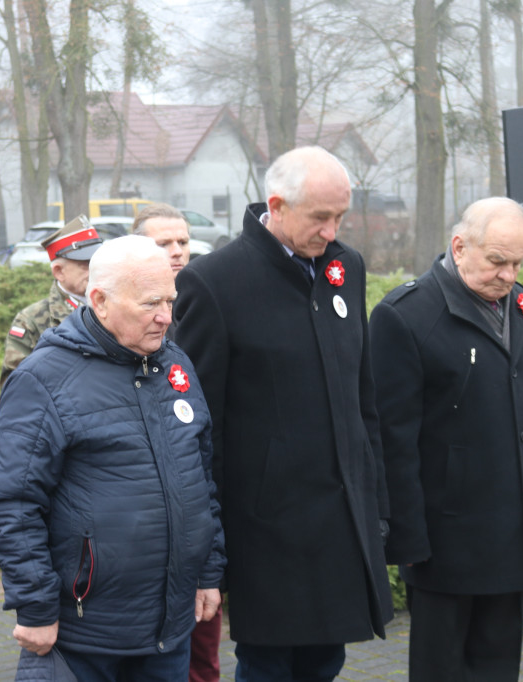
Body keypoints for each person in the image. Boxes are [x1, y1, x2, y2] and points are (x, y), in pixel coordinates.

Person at [173, 146, 393, 681]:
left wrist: (377, 501)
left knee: (326, 661)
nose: (332, 230)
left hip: (341, 517)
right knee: (270, 665)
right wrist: (208, 539)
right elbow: (202, 425)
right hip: (267, 528)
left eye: (341, 215)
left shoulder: (347, 267)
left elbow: (363, 396)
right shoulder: (213, 283)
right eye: (321, 217)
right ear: (277, 205)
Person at [0, 235, 225, 681]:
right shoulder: (44, 379)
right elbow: (14, 503)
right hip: (82, 639)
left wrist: (208, 569)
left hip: (168, 634)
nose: (166, 317)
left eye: (171, 300)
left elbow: (200, 478)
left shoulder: (175, 366)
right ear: (99, 300)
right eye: (151, 303)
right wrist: (35, 606)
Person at [369, 197, 523, 681]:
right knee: (442, 669)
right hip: (446, 537)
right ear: (459, 246)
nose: (509, 275)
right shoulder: (405, 316)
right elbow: (394, 437)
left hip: (513, 528)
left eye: (518, 262)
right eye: (497, 260)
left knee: (498, 667)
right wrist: (404, 534)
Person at [133, 203, 217, 681]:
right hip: (137, 541)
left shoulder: (205, 297)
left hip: (194, 517)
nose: (178, 251)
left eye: (183, 241)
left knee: (203, 658)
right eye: (165, 243)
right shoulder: (120, 318)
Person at [0, 216, 103, 389]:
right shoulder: (31, 320)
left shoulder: (116, 306)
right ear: (59, 271)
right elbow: (16, 387)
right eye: (85, 264)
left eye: (97, 262)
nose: (95, 269)